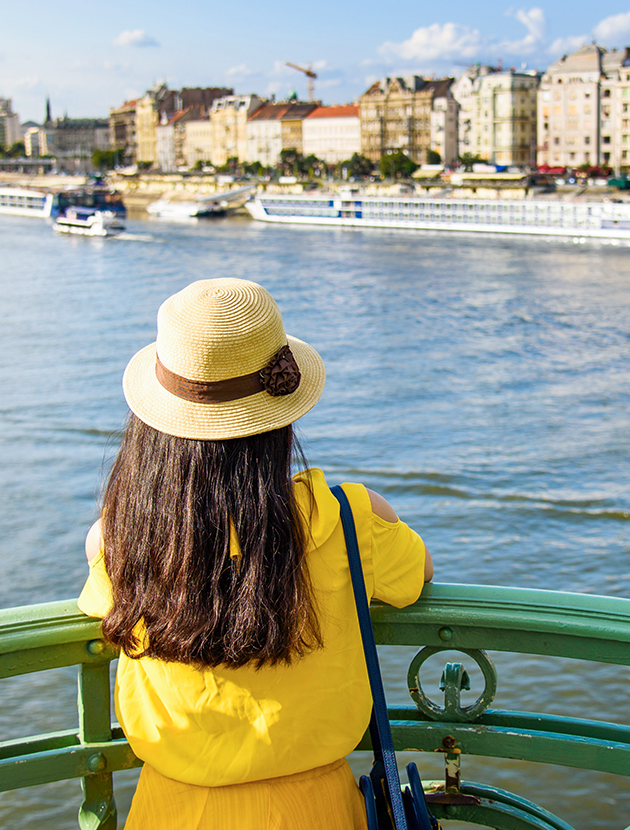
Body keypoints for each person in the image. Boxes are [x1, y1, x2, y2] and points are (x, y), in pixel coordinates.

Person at [79, 277, 433, 830]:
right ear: (280, 420)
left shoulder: (121, 538)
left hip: (171, 810)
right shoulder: (346, 518)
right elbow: (418, 573)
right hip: (317, 811)